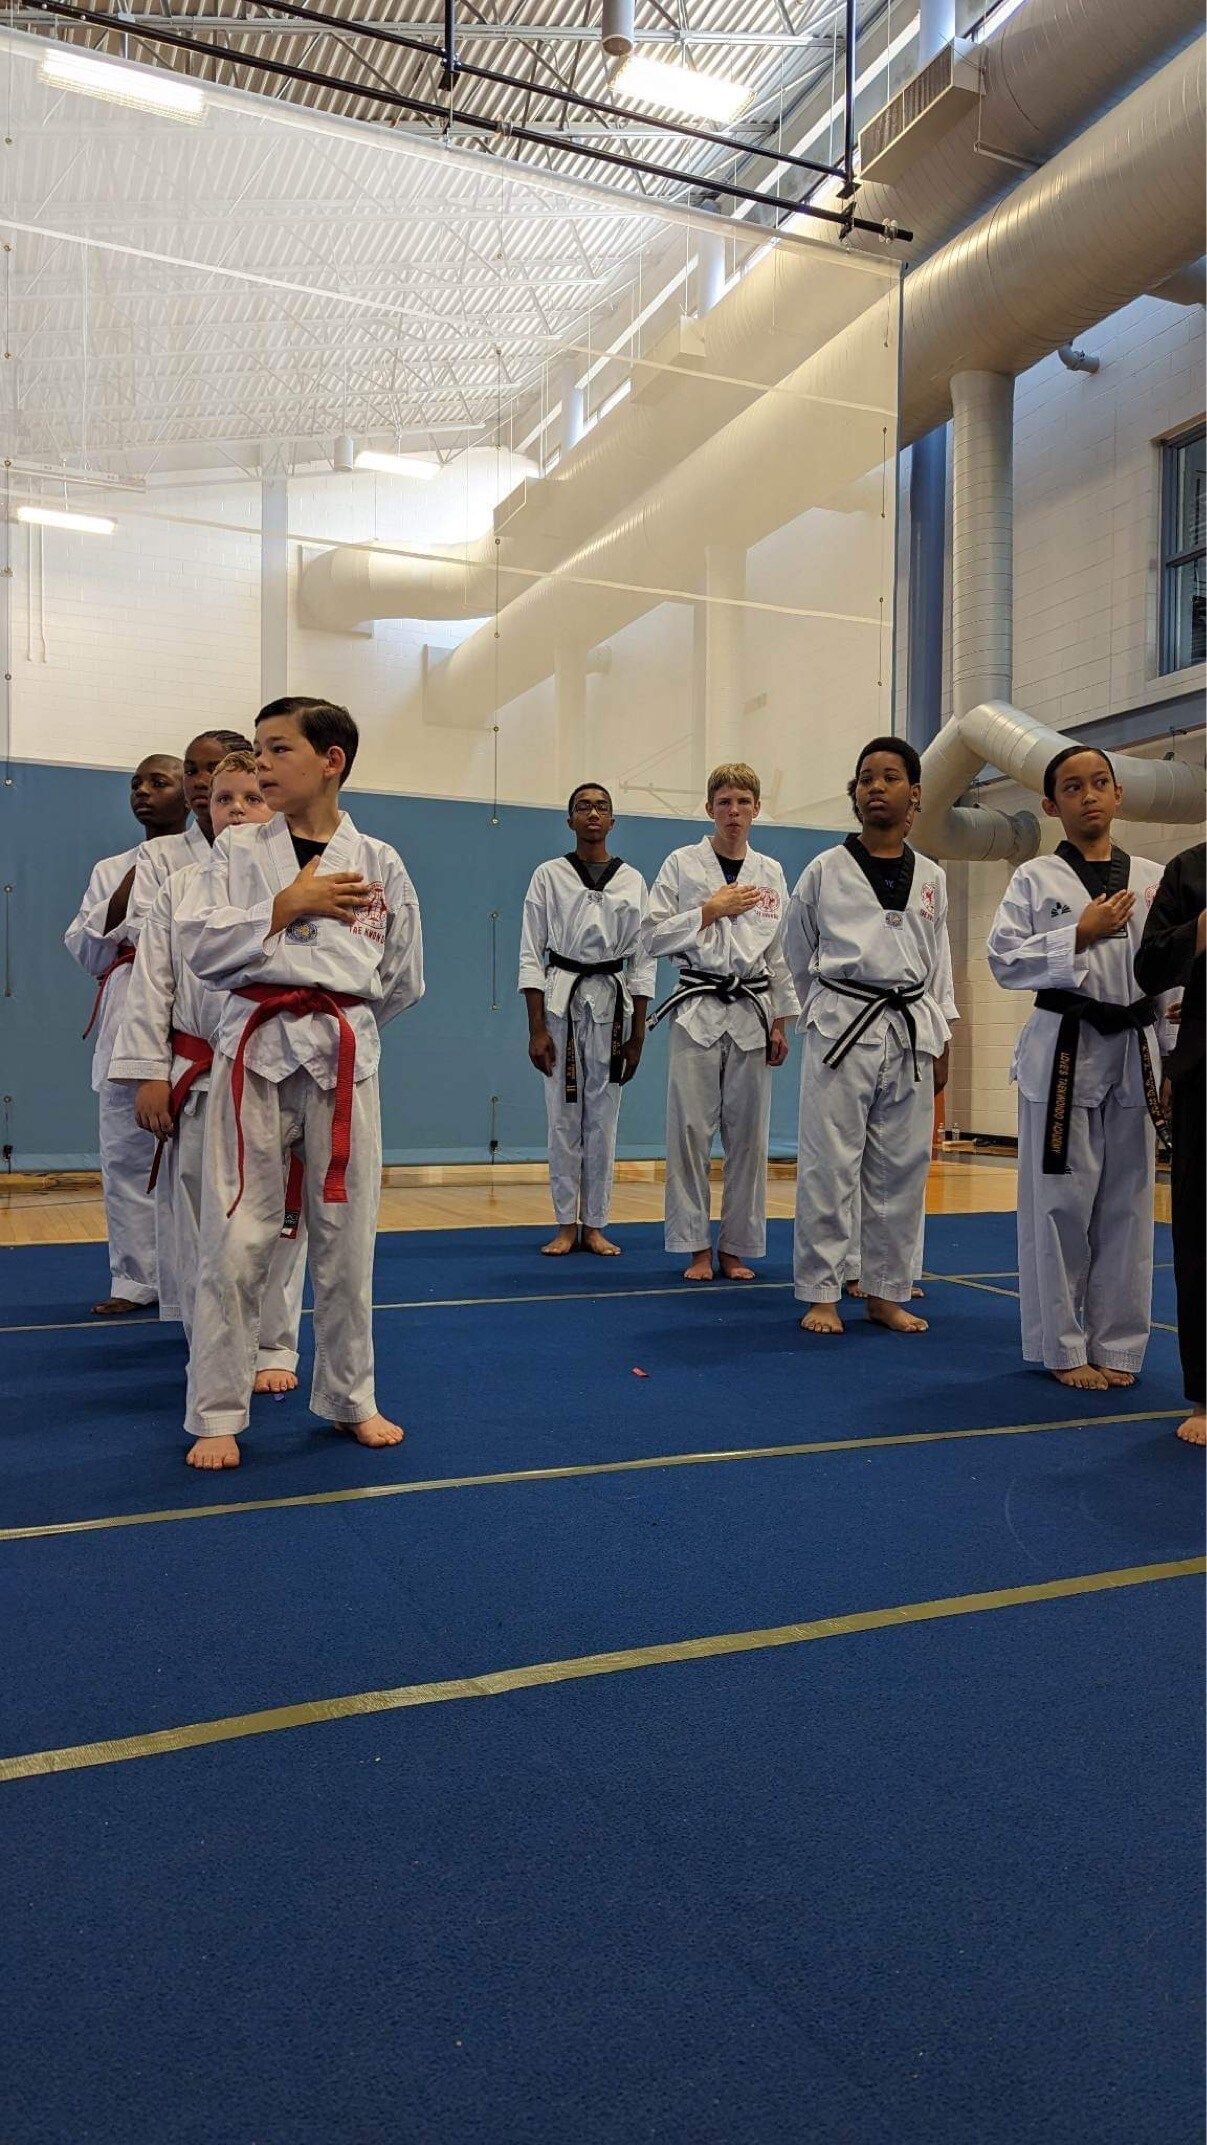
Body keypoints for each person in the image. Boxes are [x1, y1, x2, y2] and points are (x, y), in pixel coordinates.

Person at [178, 695, 424, 1470]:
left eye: (277, 749)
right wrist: (287, 906)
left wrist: (339, 1013)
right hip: (253, 1051)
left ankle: (351, 1397)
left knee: (347, 1240)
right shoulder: (239, 850)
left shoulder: (378, 860)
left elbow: (402, 976)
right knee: (238, 1234)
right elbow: (199, 944)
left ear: (331, 760)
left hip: (344, 1053)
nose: (260, 765)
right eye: (256, 749)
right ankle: (218, 1408)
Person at [109, 751, 306, 1394]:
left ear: (276, 804)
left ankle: (275, 1343)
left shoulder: (299, 887)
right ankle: (208, 1337)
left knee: (279, 1214)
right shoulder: (180, 887)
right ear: (208, 810)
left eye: (253, 798)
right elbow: (151, 987)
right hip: (196, 1069)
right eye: (224, 800)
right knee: (201, 1215)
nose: (238, 811)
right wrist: (148, 1072)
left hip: (278, 1067)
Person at [987, 746, 1173, 1390]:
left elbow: (1172, 976)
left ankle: (1119, 1346)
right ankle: (1063, 1347)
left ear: (1119, 794)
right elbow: (1004, 961)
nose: (1088, 795)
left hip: (1135, 1050)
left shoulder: (1152, 878)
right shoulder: (1035, 879)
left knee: (1129, 1204)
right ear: (1050, 805)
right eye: (1072, 787)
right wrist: (1079, 934)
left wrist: (1173, 1063)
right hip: (1064, 1048)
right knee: (1058, 1205)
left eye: (1100, 784)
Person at [784, 737, 955, 1336]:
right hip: (842, 1025)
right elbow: (797, 951)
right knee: (830, 1165)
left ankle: (887, 1290)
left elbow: (939, 965)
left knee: (902, 1168)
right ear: (854, 795)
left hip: (910, 1028)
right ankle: (822, 1291)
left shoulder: (931, 876)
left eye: (889, 777)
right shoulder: (824, 870)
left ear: (914, 793)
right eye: (865, 779)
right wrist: (826, 1008)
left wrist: (942, 1040)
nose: (876, 787)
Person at [644, 763, 797, 1282]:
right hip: (698, 1010)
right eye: (724, 802)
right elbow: (651, 937)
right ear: (710, 809)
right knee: (688, 1131)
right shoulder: (681, 864)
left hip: (752, 1012)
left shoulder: (771, 873)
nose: (734, 812)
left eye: (743, 802)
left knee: (750, 1136)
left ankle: (736, 1246)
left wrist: (782, 1021)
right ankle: (694, 1246)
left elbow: (779, 953)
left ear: (757, 809)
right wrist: (708, 911)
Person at [64, 754, 187, 1315]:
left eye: (158, 782)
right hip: (125, 1004)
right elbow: (89, 952)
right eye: (136, 784)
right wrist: (137, 873)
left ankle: (195, 1275)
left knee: (197, 1156)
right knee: (125, 1154)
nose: (142, 792)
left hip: (190, 1007)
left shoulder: (219, 859)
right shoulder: (111, 868)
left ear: (192, 793)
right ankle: (135, 1279)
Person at [519, 783, 654, 1256]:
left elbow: (643, 961)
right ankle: (564, 1223)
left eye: (601, 807)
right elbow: (531, 955)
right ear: (570, 819)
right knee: (562, 1116)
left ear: (613, 821)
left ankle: (595, 1223)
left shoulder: (633, 880)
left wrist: (638, 1035)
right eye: (583, 807)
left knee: (604, 1119)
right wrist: (536, 1028)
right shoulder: (548, 876)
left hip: (613, 1005)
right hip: (562, 1003)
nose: (592, 813)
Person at [1135, 839, 1205, 1444]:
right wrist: (1198, 933)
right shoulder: (1191, 869)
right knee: (1200, 1236)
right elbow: (1148, 967)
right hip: (1204, 1074)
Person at [124, 729, 254, 925]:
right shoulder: (157, 855)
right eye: (191, 771)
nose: (199, 782)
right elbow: (143, 930)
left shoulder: (275, 848)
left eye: (213, 769)